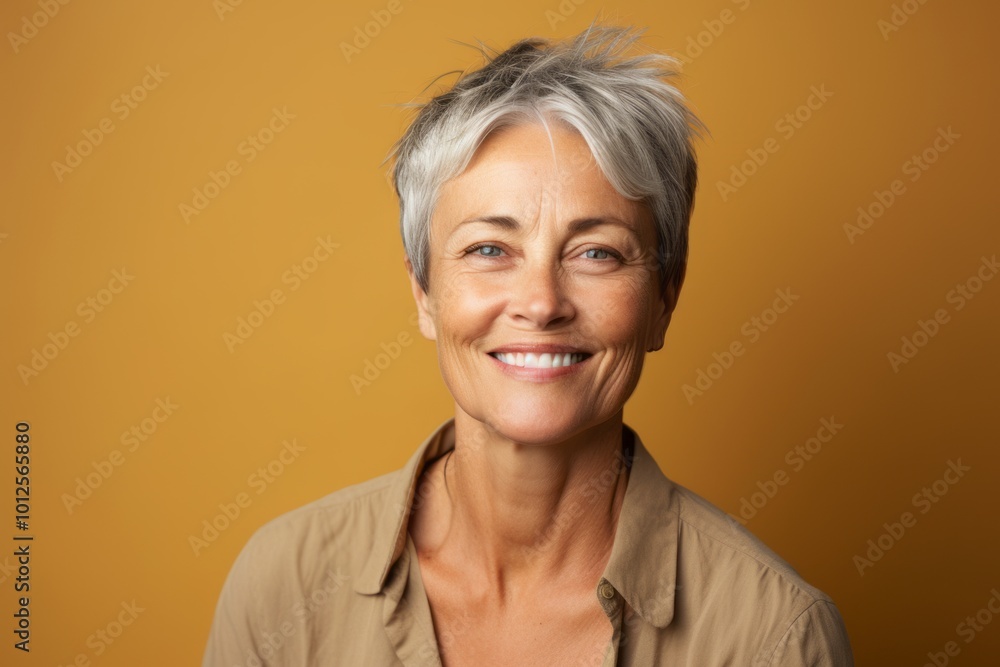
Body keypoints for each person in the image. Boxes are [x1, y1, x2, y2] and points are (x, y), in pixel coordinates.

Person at [203, 23, 854, 666]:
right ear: (424, 291)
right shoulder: (281, 586)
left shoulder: (775, 635)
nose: (541, 302)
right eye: (490, 249)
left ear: (664, 298)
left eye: (597, 252)